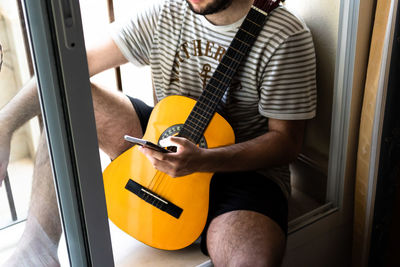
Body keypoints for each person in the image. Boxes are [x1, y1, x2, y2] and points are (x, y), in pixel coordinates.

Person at [0, 0, 316, 266]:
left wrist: (203, 161)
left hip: (245, 175)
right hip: (165, 148)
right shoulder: (169, 12)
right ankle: (35, 249)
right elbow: (69, 66)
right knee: (71, 93)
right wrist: (5, 126)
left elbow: (286, 143)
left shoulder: (285, 36)